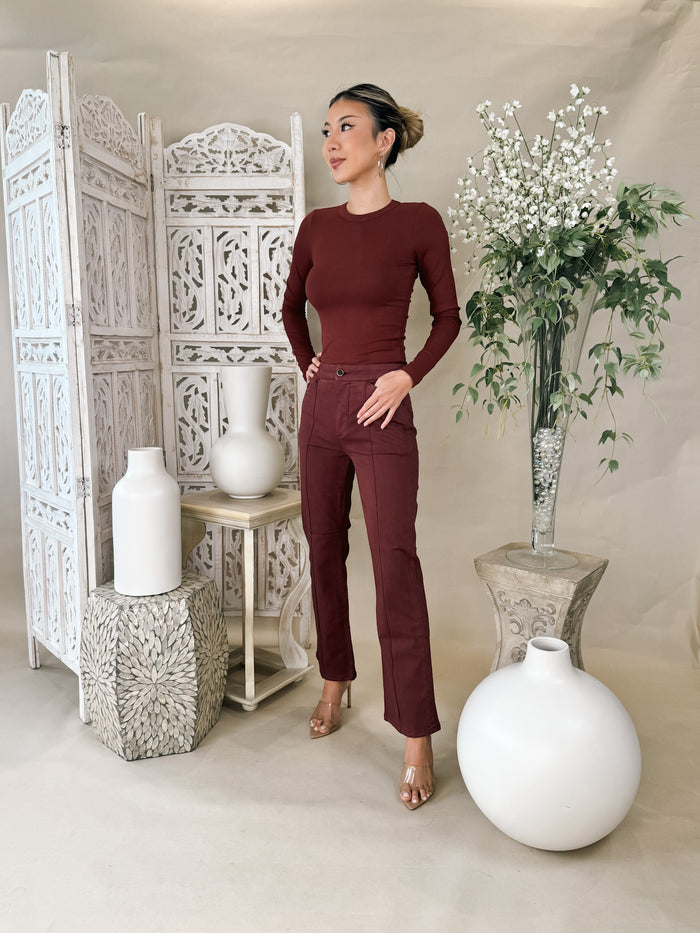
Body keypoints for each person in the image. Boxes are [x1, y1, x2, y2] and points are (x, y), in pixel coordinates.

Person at [281, 83, 460, 810]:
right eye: (326, 130)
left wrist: (406, 376)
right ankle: (336, 677)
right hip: (322, 408)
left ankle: (416, 733)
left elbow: (448, 317)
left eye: (346, 127)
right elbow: (290, 307)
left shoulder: (418, 222)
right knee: (323, 548)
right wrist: (309, 364)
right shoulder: (316, 226)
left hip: (383, 408)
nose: (331, 143)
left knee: (393, 562)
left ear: (384, 141)